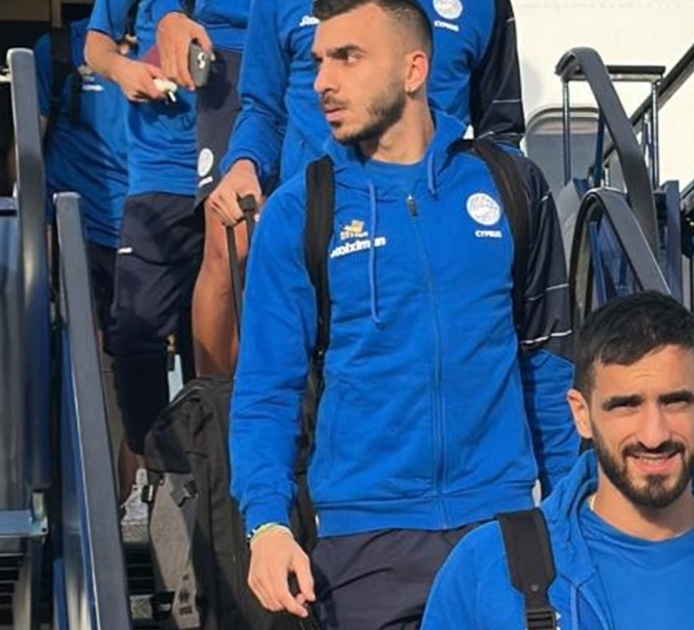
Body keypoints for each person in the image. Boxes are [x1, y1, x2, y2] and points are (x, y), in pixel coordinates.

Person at [230, 0, 576, 627]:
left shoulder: (511, 187)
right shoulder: (298, 211)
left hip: (504, 532)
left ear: (414, 69)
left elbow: (548, 367)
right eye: (319, 61)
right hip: (363, 545)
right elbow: (265, 392)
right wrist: (267, 525)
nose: (322, 82)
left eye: (347, 57)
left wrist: (572, 510)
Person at [422, 291, 694, 630]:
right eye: (625, 406)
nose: (653, 435)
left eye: (674, 402)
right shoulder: (488, 570)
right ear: (581, 414)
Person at [195, 0, 526, 376]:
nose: (324, 80)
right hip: (321, 227)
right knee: (276, 378)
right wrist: (243, 165)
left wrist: (497, 213)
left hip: (436, 224)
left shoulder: (486, 6)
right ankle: (212, 407)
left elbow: (501, 129)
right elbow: (262, 109)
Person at [85, 0, 201, 515]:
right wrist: (123, 70)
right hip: (161, 175)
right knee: (134, 333)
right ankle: (154, 470)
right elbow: (97, 47)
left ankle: (218, 469)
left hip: (241, 168)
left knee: (224, 335)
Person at [151, 0, 253, 377]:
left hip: (333, 35)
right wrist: (168, 14)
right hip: (232, 50)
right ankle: (214, 403)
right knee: (232, 239)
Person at [33, 16, 130, 337]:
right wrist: (36, 231)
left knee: (133, 345)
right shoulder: (58, 51)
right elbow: (26, 152)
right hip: (70, 228)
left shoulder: (174, 50)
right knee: (76, 340)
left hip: (141, 231)